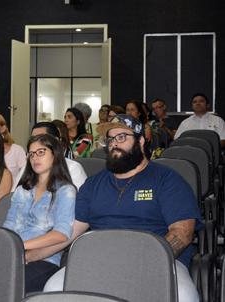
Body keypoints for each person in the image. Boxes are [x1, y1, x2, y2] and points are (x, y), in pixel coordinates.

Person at [43, 114, 201, 302]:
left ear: (141, 141)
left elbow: (182, 233)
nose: (114, 144)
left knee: (184, 297)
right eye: (110, 139)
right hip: (100, 260)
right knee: (52, 290)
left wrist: (144, 262)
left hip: (159, 261)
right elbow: (69, 232)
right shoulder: (94, 184)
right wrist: (31, 254)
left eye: (122, 137)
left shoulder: (167, 180)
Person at [4, 134, 76, 293]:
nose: (35, 158)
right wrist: (8, 248)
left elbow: (61, 234)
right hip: (12, 254)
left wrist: (20, 247)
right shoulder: (22, 190)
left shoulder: (65, 191)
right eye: (31, 154)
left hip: (44, 260)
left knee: (7, 285)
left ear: (55, 155)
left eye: (41, 152)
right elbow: (8, 226)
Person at [31, 122, 87, 189]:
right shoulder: (29, 165)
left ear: (56, 141)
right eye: (33, 139)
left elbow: (80, 198)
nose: (35, 144)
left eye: (41, 139)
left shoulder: (72, 168)